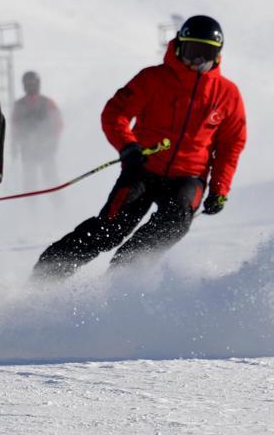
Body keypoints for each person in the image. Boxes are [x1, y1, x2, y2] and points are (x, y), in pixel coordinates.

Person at [32, 15, 246, 278]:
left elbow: (231, 144)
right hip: (143, 168)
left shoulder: (227, 94)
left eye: (205, 54)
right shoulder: (154, 79)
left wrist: (219, 189)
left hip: (188, 177)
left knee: (174, 224)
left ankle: (120, 281)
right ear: (178, 47)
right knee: (111, 230)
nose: (196, 62)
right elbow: (115, 113)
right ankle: (47, 274)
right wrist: (128, 146)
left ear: (217, 55)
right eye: (191, 52)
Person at [11, 71, 63, 190]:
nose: (30, 86)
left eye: (33, 83)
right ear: (24, 86)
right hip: (28, 149)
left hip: (46, 147)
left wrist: (54, 140)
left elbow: (58, 123)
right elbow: (15, 127)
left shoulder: (48, 103)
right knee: (30, 183)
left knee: (51, 180)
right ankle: (31, 206)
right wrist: (15, 144)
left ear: (38, 84)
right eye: (28, 84)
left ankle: (58, 205)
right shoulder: (19, 105)